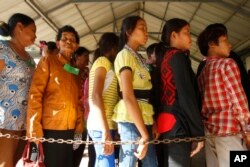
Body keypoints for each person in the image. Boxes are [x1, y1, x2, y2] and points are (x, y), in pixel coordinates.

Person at [26, 25, 83, 167]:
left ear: (76, 46)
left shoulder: (74, 70)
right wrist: (34, 127)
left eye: (72, 39)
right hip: (49, 128)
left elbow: (79, 101)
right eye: (64, 38)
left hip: (69, 130)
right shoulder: (48, 62)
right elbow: (35, 94)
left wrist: (79, 128)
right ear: (58, 43)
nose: (68, 41)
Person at [197, 23, 250, 167]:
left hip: (210, 132)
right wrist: (247, 129)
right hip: (230, 131)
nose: (230, 45)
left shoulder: (202, 72)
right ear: (212, 44)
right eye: (225, 40)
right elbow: (239, 100)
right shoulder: (228, 64)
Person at [154, 18, 204, 167]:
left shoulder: (164, 57)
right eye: (186, 32)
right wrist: (198, 133)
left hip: (165, 122)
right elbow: (186, 97)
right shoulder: (177, 57)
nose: (190, 38)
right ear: (174, 35)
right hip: (178, 125)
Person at [112, 15, 158, 167]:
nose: (146, 33)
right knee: (128, 163)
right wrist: (145, 134)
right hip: (130, 118)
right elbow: (128, 96)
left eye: (146, 29)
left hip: (144, 118)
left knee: (151, 164)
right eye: (142, 28)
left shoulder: (139, 57)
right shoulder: (124, 55)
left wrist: (152, 123)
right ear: (129, 32)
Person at [0, 13, 36, 167]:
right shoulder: (3, 48)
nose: (35, 35)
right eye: (33, 30)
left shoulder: (29, 57)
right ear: (20, 27)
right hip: (5, 120)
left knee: (14, 162)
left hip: (23, 121)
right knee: (5, 162)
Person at [87, 32, 119, 167]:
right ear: (113, 48)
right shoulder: (102, 61)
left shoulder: (109, 65)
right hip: (101, 126)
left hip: (105, 125)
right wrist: (106, 131)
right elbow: (96, 95)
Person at [71, 46, 91, 167]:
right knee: (71, 146)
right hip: (72, 113)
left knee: (81, 143)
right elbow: (70, 70)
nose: (88, 59)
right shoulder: (69, 68)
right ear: (77, 57)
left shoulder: (86, 71)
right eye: (85, 56)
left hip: (84, 113)